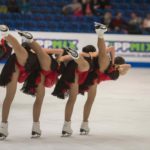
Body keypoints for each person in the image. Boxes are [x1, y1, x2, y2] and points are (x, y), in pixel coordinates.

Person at [78, 22, 131, 134]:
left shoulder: (113, 68)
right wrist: (113, 64)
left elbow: (109, 50)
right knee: (90, 100)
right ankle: (84, 124)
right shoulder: (114, 71)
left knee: (102, 54)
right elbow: (126, 66)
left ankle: (100, 34)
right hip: (96, 75)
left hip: (93, 72)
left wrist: (112, 62)